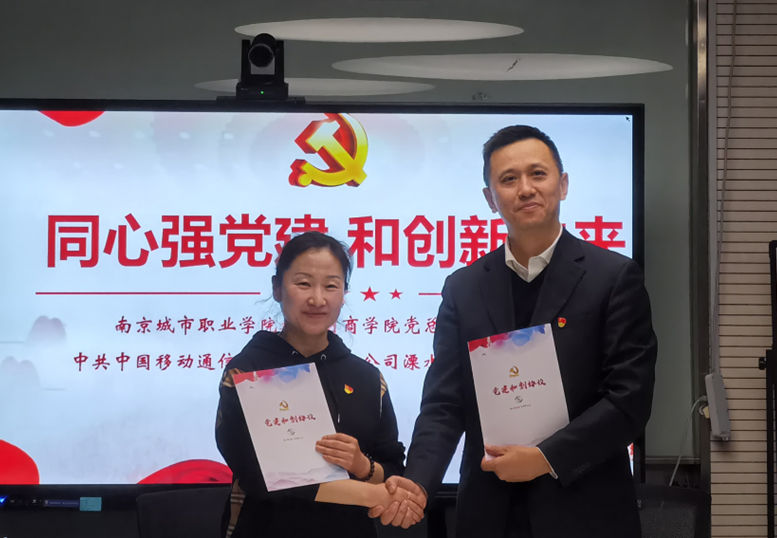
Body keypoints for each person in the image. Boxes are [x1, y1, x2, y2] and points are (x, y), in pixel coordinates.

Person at [371, 125, 658, 537]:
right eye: (508, 179)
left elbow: (630, 399)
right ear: (491, 199)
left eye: (538, 174)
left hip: (586, 510)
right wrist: (417, 481)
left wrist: (545, 457)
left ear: (563, 185)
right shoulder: (464, 288)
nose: (525, 189)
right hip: (489, 513)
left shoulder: (612, 278)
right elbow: (445, 403)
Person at [216, 232, 425, 538]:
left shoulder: (367, 377)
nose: (317, 299)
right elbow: (263, 476)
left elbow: (392, 467)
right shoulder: (249, 371)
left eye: (331, 285)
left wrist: (362, 466)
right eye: (303, 283)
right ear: (277, 288)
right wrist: (372, 494)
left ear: (344, 293)